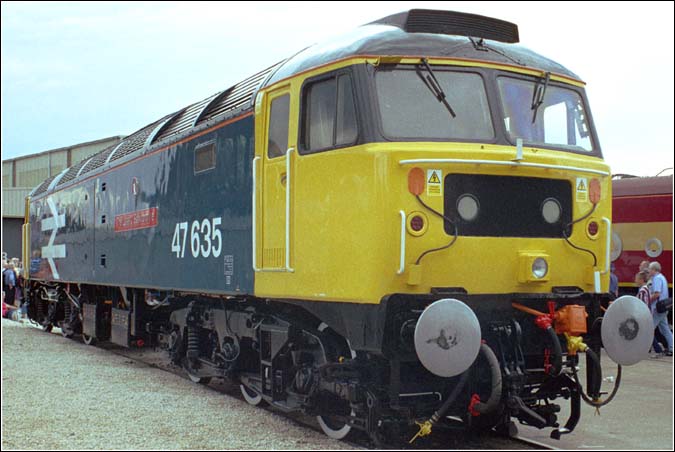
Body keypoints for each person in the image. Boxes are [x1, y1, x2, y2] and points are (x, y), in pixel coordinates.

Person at [648, 261, 673, 356]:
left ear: (654, 270)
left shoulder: (656, 279)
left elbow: (657, 293)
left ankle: (645, 347)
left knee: (649, 328)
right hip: (663, 307)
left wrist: (647, 300)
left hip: (657, 308)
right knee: (665, 329)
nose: (649, 271)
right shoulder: (662, 277)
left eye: (650, 269)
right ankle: (672, 348)